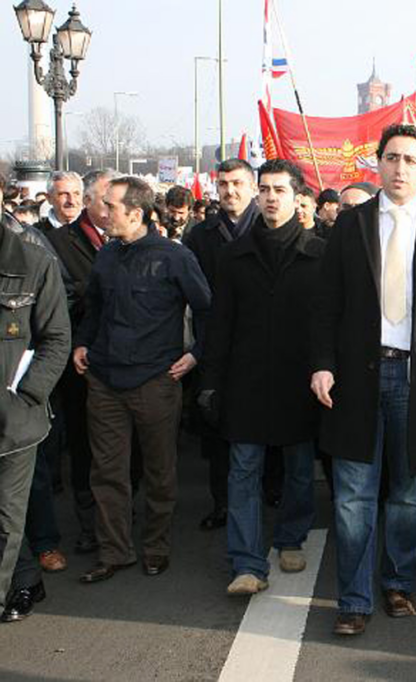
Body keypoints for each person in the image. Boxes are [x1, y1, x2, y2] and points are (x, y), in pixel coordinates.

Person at [311, 123, 416, 637]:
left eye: (410, 159)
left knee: (408, 493)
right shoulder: (351, 225)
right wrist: (322, 363)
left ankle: (398, 583)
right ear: (377, 163)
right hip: (357, 377)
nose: (400, 168)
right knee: (352, 496)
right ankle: (353, 600)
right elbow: (326, 303)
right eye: (391, 157)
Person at [73, 176, 211, 583]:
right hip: (104, 380)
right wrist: (82, 343)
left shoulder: (174, 257)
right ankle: (114, 551)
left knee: (159, 470)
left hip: (155, 380)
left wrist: (195, 355)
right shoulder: (107, 254)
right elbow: (94, 308)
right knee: (107, 472)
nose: (102, 213)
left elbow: (207, 310)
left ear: (135, 213)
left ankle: (156, 547)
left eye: (110, 206)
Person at [199, 159, 324, 596]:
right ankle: (247, 562)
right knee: (243, 471)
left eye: (280, 190)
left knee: (299, 469)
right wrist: (211, 381)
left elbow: (327, 323)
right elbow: (220, 324)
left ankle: (291, 537)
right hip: (245, 380)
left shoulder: (318, 254)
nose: (271, 197)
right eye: (265, 189)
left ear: (297, 196)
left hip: (300, 381)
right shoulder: (234, 256)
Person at [0, 213, 71, 623]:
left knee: (7, 517)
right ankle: (26, 577)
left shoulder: (34, 262)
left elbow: (56, 339)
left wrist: (25, 396)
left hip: (14, 421)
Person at [44, 169, 117, 555]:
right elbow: (59, 298)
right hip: (80, 362)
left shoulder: (132, 237)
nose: (114, 206)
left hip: (126, 363)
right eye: (106, 200)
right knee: (84, 446)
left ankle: (119, 516)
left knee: (123, 448)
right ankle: (90, 522)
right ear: (91, 202)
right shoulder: (55, 241)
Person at [184, 159, 259, 531]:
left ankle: (267, 492)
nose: (230, 191)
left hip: (259, 340)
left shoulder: (267, 227)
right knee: (216, 426)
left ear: (253, 187)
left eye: (238, 183)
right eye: (224, 184)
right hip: (213, 342)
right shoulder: (200, 235)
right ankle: (222, 503)